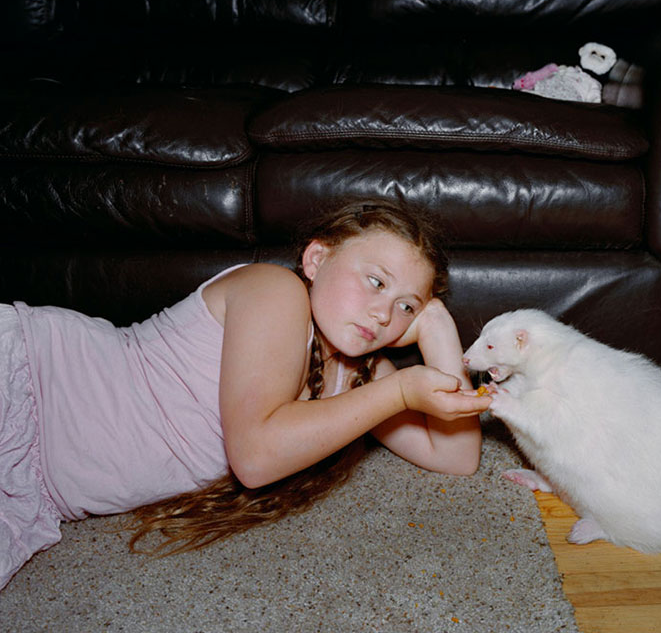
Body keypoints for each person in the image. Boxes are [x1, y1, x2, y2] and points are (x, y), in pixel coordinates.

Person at [0, 198, 492, 589]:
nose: (383, 314)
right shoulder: (274, 290)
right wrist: (402, 390)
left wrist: (437, 327)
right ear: (317, 259)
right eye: (375, 281)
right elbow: (256, 456)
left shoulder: (364, 378)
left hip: (42, 482)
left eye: (406, 306)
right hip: (34, 384)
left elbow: (457, 457)